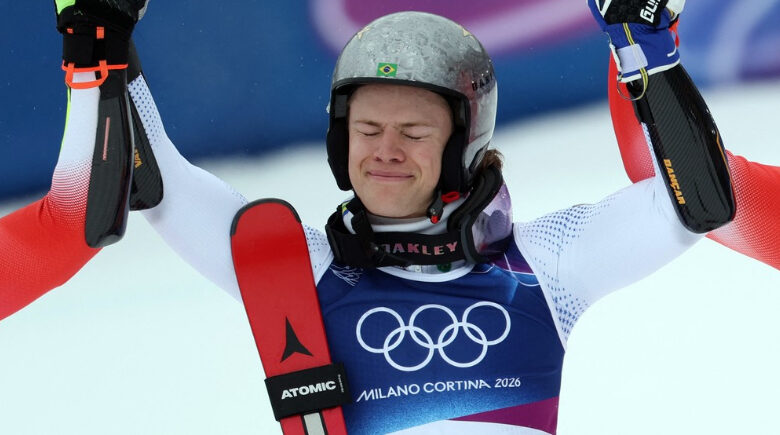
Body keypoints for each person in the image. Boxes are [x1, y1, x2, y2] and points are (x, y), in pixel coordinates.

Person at [0, 1, 768, 434]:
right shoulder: (292, 266)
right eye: (366, 130)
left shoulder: (546, 265)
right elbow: (153, 182)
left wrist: (646, 49)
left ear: (463, 144)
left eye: (414, 130)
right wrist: (105, 50)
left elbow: (693, 203)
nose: (385, 151)